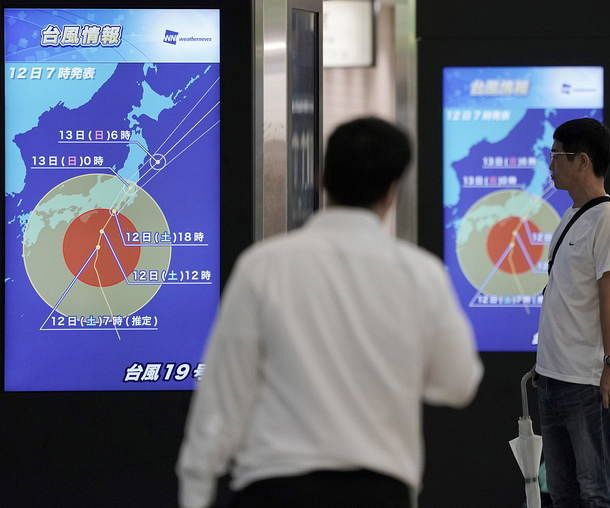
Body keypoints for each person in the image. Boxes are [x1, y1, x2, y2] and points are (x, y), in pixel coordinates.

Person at [176, 117, 483, 508]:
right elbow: (458, 382)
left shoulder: (264, 265)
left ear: (322, 178)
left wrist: (196, 490)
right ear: (392, 191)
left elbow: (223, 395)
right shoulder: (421, 273)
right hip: (379, 490)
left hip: (273, 488)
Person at [535, 117, 610, 507]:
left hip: (587, 380)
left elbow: (609, 295)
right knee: (562, 491)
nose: (551, 165)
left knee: (597, 491)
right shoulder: (572, 216)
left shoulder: (608, 217)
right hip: (551, 376)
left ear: (582, 162)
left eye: (556, 156)